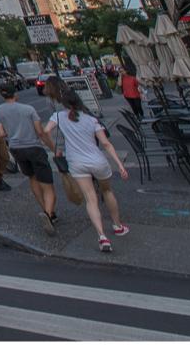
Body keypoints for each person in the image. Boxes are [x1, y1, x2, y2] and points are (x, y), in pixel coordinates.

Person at [45, 89, 129, 252]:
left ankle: (102, 236)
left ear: (64, 104)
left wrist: (54, 148)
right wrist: (119, 164)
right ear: (79, 102)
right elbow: (105, 144)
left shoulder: (58, 117)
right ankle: (117, 226)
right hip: (97, 161)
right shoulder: (91, 120)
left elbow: (46, 131)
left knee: (90, 199)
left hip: (76, 162)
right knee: (107, 191)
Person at [0, 84, 59, 235]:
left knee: (32, 177)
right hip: (34, 147)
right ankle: (49, 214)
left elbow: (0, 133)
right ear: (15, 94)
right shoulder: (28, 109)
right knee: (47, 184)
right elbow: (40, 131)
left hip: (16, 149)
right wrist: (53, 148)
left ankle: (45, 209)